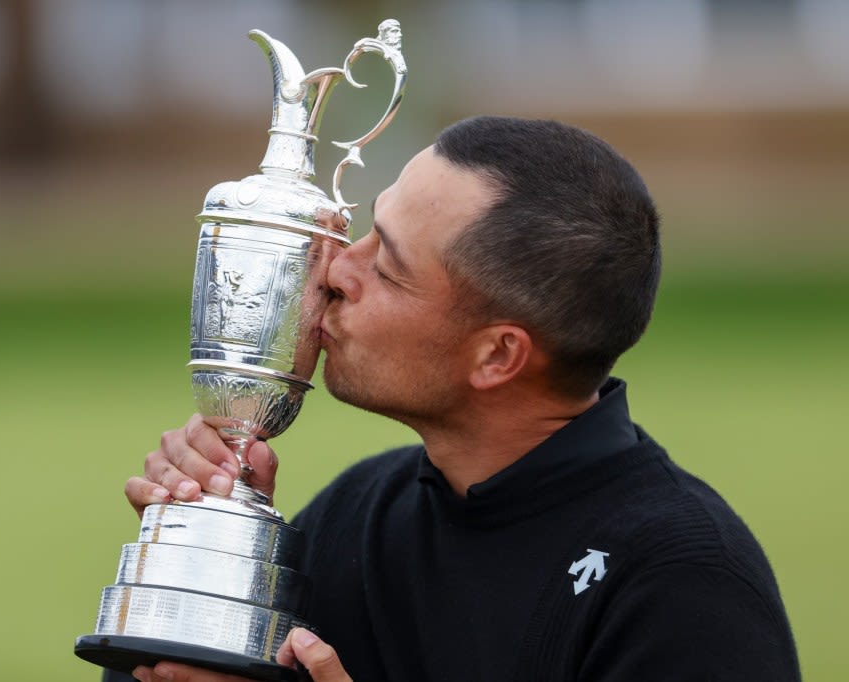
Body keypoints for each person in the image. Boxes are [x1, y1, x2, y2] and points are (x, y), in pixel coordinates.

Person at [123, 116, 800, 681]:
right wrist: (201, 574)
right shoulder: (361, 515)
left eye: (386, 266)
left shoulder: (684, 586)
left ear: (498, 355)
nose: (334, 270)